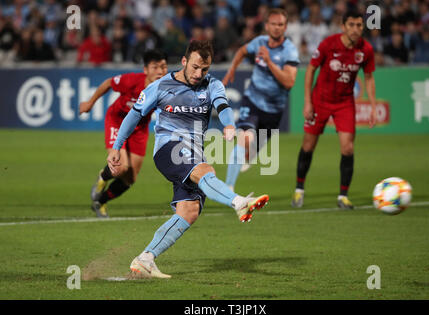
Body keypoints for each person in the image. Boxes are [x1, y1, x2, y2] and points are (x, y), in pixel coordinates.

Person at [107, 40, 270, 278]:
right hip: (168, 149)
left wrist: (229, 125)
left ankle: (145, 259)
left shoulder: (212, 84)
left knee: (189, 210)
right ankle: (238, 202)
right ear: (184, 62)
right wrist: (117, 146)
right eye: (194, 67)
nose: (198, 73)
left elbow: (223, 106)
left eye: (204, 69)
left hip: (193, 153)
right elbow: (134, 116)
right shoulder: (161, 85)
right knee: (205, 170)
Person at [291, 10, 377, 209]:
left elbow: (369, 78)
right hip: (320, 100)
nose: (356, 29)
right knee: (308, 145)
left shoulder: (366, 50)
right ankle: (299, 189)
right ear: (343, 27)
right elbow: (311, 69)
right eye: (352, 25)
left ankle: (343, 196)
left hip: (345, 103)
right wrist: (307, 101)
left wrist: (372, 107)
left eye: (359, 25)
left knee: (348, 147)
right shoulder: (328, 44)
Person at [79, 49, 168, 218]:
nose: (160, 71)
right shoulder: (132, 81)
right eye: (155, 67)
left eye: (163, 67)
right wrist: (90, 103)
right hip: (117, 121)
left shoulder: (165, 89)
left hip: (139, 129)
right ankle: (103, 177)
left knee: (130, 178)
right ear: (145, 70)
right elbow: (108, 83)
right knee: (121, 167)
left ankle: (101, 201)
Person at [222, 8, 300, 190]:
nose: (276, 28)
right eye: (273, 24)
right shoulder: (259, 42)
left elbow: (289, 82)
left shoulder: (290, 51)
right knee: (245, 138)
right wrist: (232, 69)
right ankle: (228, 189)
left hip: (274, 110)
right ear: (267, 26)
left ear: (285, 27)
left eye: (280, 24)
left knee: (252, 151)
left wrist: (270, 61)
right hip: (252, 100)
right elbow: (242, 50)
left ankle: (249, 157)